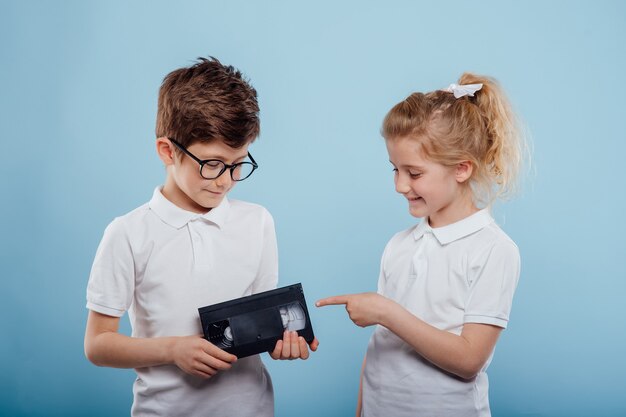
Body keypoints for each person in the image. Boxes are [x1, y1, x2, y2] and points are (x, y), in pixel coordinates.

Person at [84, 56, 318, 417]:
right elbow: (98, 344)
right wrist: (172, 350)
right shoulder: (128, 234)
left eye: (239, 163)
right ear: (167, 151)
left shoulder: (258, 222)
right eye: (212, 164)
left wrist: (280, 342)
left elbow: (260, 324)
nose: (226, 180)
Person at [317, 74, 526, 417]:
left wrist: (386, 311)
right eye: (394, 170)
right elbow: (379, 348)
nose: (400, 185)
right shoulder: (398, 245)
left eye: (413, 173)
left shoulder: (494, 250)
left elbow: (469, 359)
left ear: (461, 168)